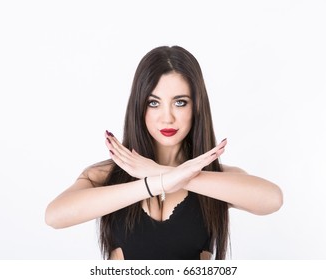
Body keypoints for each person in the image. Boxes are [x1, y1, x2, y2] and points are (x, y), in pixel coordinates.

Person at [45, 45, 283, 260]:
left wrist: (161, 172)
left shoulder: (216, 177)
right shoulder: (102, 175)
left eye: (180, 102)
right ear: (139, 107)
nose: (167, 117)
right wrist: (156, 183)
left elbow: (272, 199)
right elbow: (55, 217)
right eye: (153, 102)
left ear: (197, 106)